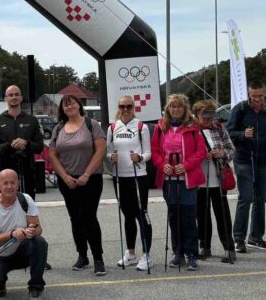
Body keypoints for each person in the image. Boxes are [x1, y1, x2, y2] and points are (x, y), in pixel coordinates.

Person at [49, 94, 108, 275]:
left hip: (90, 179)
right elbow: (53, 155)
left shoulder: (92, 125)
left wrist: (86, 174)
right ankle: (82, 255)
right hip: (68, 181)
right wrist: (65, 176)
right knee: (75, 218)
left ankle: (98, 258)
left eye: (72, 103)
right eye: (65, 105)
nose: (69, 107)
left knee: (89, 217)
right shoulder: (58, 128)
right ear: (62, 109)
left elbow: (101, 150)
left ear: (79, 105)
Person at [151, 94, 207, 270]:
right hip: (169, 180)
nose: (176, 109)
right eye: (172, 106)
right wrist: (162, 165)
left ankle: (192, 254)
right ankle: (178, 253)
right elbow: (154, 150)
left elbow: (201, 151)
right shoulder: (160, 127)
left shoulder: (193, 127)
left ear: (185, 109)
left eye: (179, 106)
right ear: (168, 109)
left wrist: (186, 165)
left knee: (189, 217)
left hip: (188, 179)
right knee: (174, 217)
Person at [0, 169, 47, 300]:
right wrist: (11, 234)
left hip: (21, 252)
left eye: (12, 183)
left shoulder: (25, 199)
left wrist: (33, 231)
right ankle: (0, 280)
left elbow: (38, 229)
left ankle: (36, 288)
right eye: (5, 183)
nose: (9, 186)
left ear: (18, 184)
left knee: (40, 242)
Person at [226, 80, 266, 253]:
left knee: (260, 199)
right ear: (249, 94)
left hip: (263, 159)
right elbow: (229, 133)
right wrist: (242, 134)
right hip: (244, 159)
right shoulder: (240, 109)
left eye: (260, 96)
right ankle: (238, 238)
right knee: (246, 198)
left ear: (265, 94)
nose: (257, 99)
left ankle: (255, 238)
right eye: (253, 96)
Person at [106, 95, 154, 271]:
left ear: (134, 107)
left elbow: (148, 153)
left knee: (141, 213)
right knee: (127, 215)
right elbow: (108, 152)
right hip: (120, 177)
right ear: (118, 108)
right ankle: (131, 253)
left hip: (138, 176)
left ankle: (146, 255)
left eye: (128, 106)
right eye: (122, 106)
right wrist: (111, 157)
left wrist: (140, 157)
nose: (125, 109)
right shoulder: (112, 127)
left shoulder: (141, 127)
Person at [192, 100, 236, 264]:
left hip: (218, 178)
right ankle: (204, 246)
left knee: (222, 214)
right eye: (204, 116)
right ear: (197, 114)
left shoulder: (219, 128)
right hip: (199, 180)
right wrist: (200, 156)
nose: (208, 120)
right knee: (202, 215)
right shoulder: (191, 130)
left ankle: (229, 248)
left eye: (211, 116)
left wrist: (222, 153)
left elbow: (232, 150)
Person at [0, 85, 45, 198]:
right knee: (5, 205)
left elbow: (39, 147)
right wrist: (10, 145)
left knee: (27, 204)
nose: (14, 97)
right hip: (4, 172)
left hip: (27, 172)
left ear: (21, 98)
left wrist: (26, 144)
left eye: (17, 94)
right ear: (5, 99)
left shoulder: (32, 120)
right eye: (10, 95)